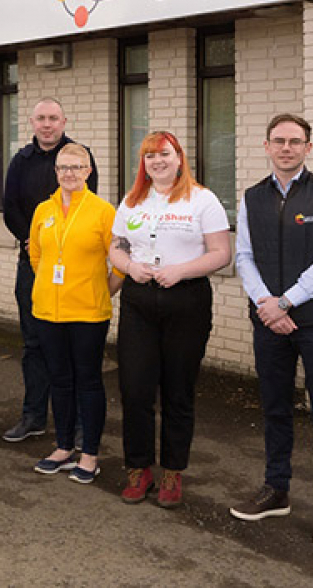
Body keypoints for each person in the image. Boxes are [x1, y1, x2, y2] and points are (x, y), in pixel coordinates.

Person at [229, 114, 313, 550]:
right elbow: (243, 257)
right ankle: (276, 489)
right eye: (278, 141)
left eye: (294, 141)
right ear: (266, 146)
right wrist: (266, 304)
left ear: (308, 147)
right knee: (275, 408)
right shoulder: (251, 198)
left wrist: (284, 302)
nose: (286, 148)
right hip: (269, 321)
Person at [108, 131, 230, 507]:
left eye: (163, 154)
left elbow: (221, 253)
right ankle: (139, 468)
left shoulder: (202, 200)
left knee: (178, 391)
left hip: (186, 300)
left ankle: (172, 472)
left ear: (179, 158)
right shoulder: (132, 201)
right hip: (140, 301)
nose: (156, 162)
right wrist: (129, 265)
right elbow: (117, 247)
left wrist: (182, 271)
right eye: (149, 156)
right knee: (136, 389)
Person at [2, 97, 98, 443]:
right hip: (33, 264)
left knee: (72, 347)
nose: (47, 124)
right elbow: (9, 205)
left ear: (63, 121)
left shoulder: (79, 156)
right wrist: (31, 241)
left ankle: (75, 421)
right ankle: (34, 415)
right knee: (34, 343)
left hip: (74, 269)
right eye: (41, 118)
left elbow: (89, 204)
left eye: (53, 118)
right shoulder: (21, 161)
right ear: (31, 122)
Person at [28, 143, 121, 483]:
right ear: (55, 172)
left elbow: (121, 263)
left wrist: (102, 289)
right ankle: (64, 446)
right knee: (60, 380)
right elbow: (36, 256)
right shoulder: (43, 210)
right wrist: (52, 288)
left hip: (88, 313)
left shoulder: (102, 211)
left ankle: (90, 453)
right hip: (49, 312)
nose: (69, 173)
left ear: (88, 171)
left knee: (88, 381)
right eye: (63, 167)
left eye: (76, 167)